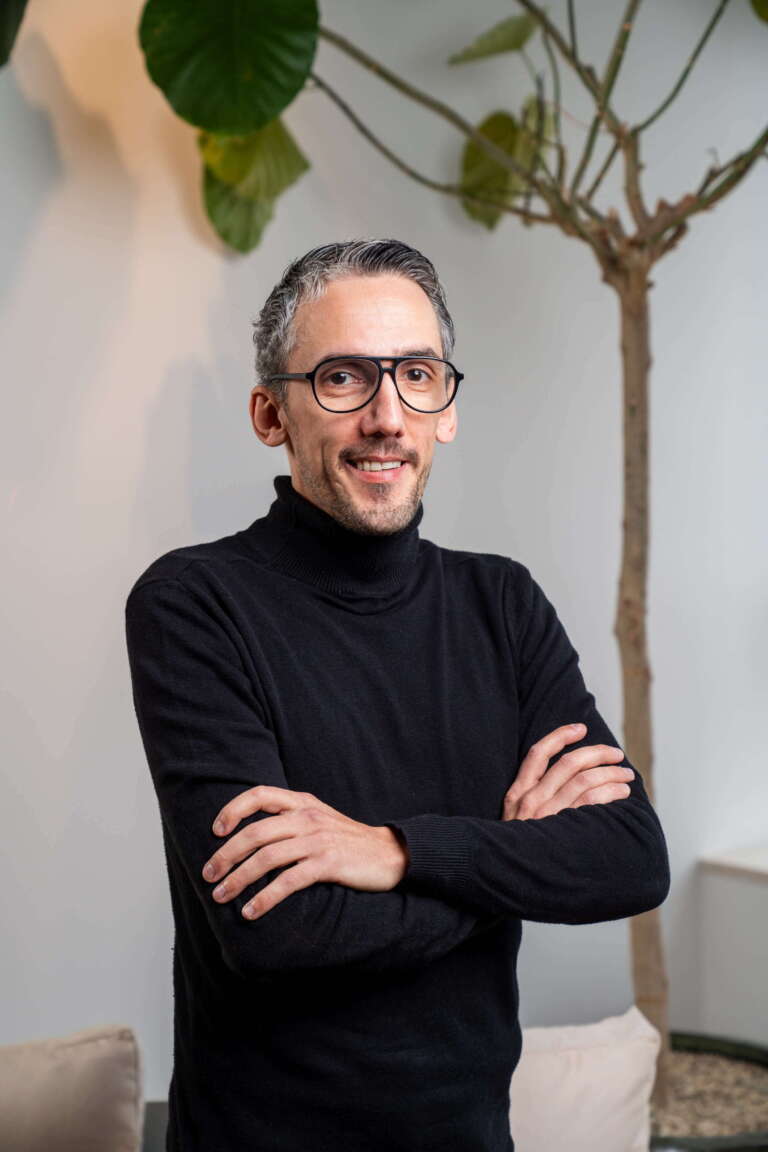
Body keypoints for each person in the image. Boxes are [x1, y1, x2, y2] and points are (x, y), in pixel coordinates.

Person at [124, 238, 670, 1152]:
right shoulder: (193, 604)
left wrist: (392, 851)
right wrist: (510, 858)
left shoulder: (503, 603)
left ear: (445, 410)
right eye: (343, 378)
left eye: (417, 375)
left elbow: (630, 857)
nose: (387, 416)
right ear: (270, 413)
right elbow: (281, 929)